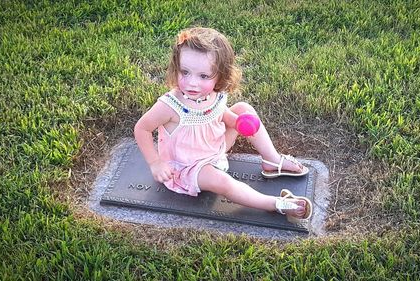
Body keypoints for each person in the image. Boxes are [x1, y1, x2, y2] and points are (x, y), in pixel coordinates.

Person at [134, 27, 312, 222]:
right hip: (188, 168)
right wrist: (155, 163)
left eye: (203, 76)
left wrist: (238, 122)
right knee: (223, 183)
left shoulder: (212, 95)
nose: (192, 83)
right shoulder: (169, 106)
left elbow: (222, 114)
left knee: (243, 108)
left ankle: (272, 160)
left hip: (215, 149)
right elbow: (142, 129)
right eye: (185, 72)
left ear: (220, 75)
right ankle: (276, 204)